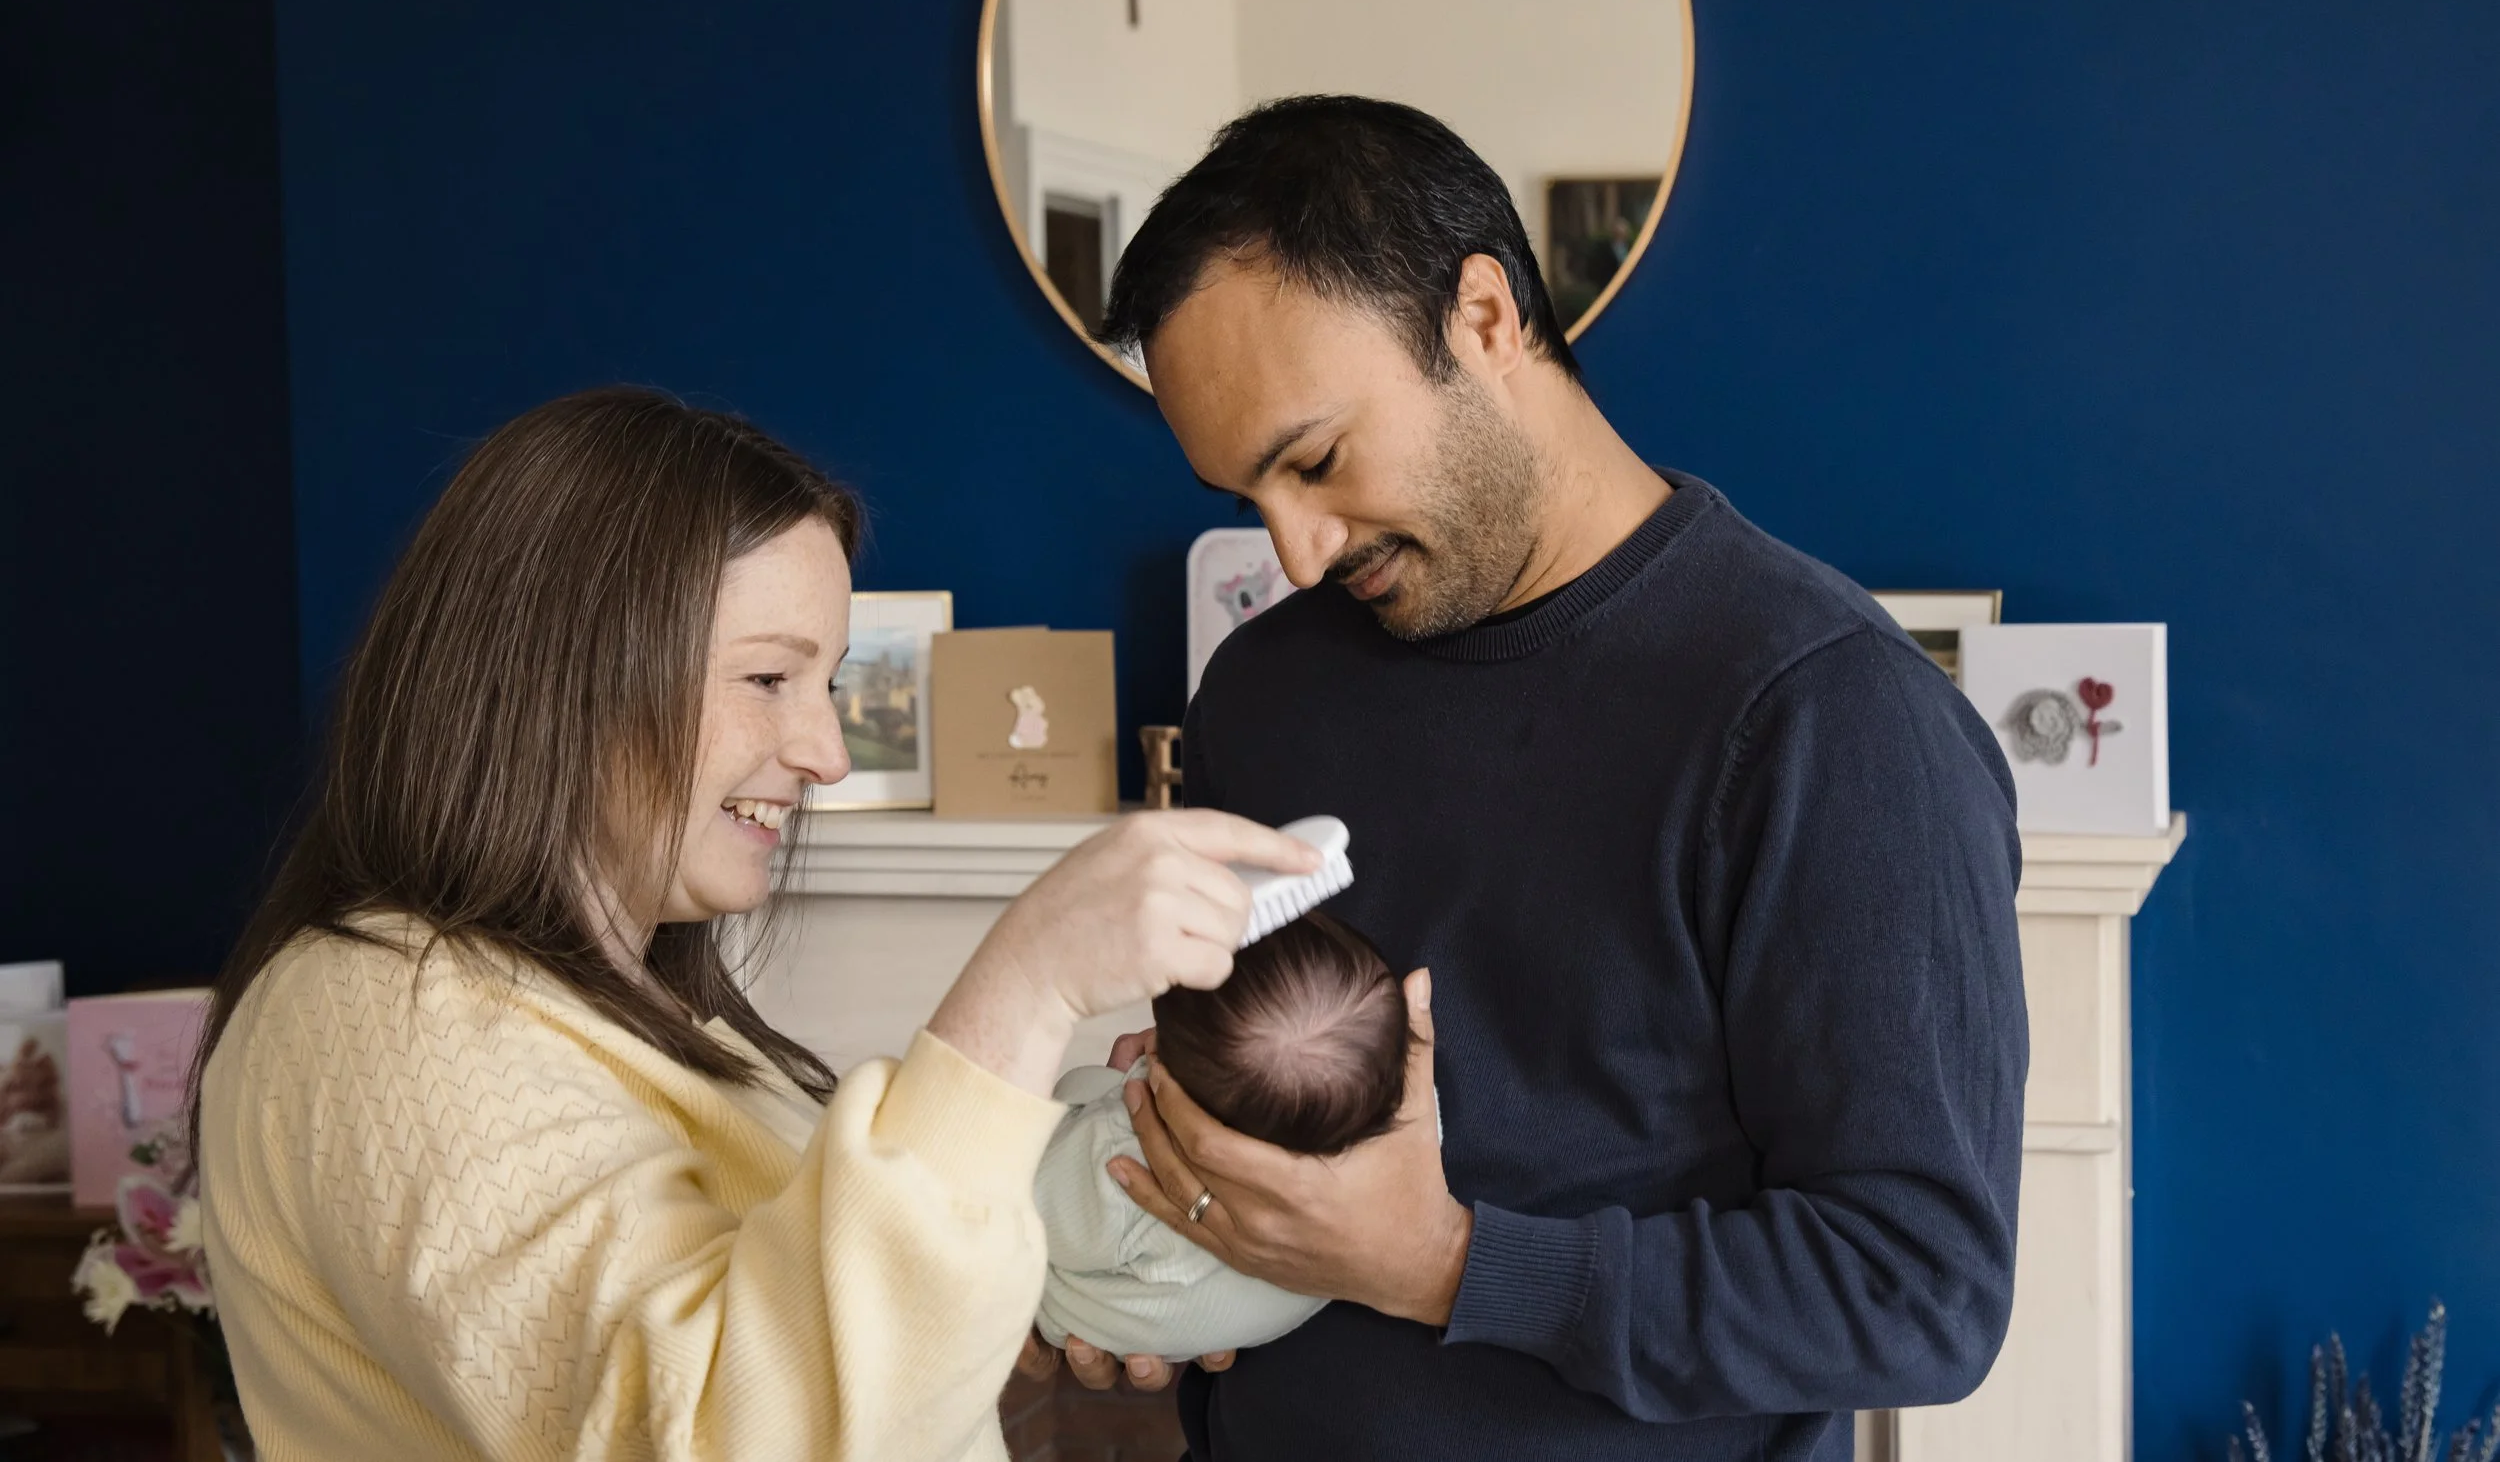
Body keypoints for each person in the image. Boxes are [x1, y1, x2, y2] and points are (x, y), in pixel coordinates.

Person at [1065, 95, 2030, 1460]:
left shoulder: (1827, 713)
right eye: (1248, 497)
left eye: (1317, 460)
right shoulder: (1263, 688)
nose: (1294, 551)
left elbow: (1917, 1290)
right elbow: (1256, 1100)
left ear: (1485, 316)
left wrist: (1449, 1260)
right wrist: (1152, 1233)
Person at [189, 388, 1317, 1462]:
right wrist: (1021, 986)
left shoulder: (629, 1012)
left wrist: (1040, 1253)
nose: (827, 753)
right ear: (562, 676)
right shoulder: (389, 1018)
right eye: (770, 677)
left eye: (829, 686)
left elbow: (800, 1355)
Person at [1032, 910, 1406, 1360]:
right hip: (1262, 1310)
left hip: (1093, 1305)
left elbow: (1025, 1212)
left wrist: (1092, 1098)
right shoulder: (1403, 1135)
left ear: (1165, 1056)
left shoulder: (1123, 1154)